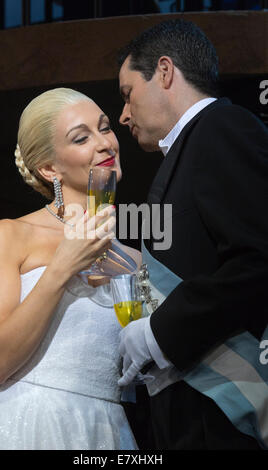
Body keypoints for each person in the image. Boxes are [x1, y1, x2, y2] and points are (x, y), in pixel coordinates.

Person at [117, 19, 268, 450]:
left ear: (164, 72)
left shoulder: (223, 127)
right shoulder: (191, 147)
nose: (124, 114)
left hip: (224, 411)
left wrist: (158, 332)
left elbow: (258, 258)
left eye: (127, 94)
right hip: (189, 411)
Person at [0, 88, 139, 450]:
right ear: (49, 169)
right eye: (81, 137)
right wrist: (61, 268)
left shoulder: (135, 259)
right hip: (27, 424)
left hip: (106, 431)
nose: (105, 143)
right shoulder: (10, 235)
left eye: (105, 128)